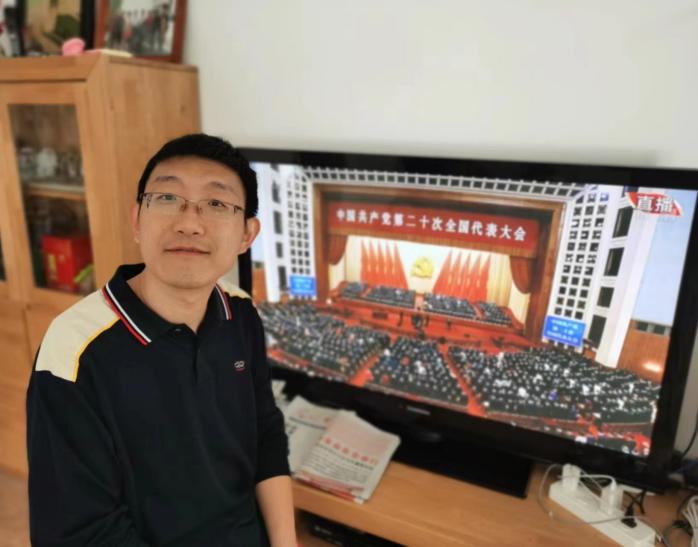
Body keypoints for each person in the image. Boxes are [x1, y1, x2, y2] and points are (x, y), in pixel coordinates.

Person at [26, 134, 295, 546]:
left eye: (217, 203)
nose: (189, 223)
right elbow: (80, 533)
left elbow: (265, 433)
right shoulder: (74, 350)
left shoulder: (240, 311)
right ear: (137, 220)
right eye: (168, 198)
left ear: (247, 235)